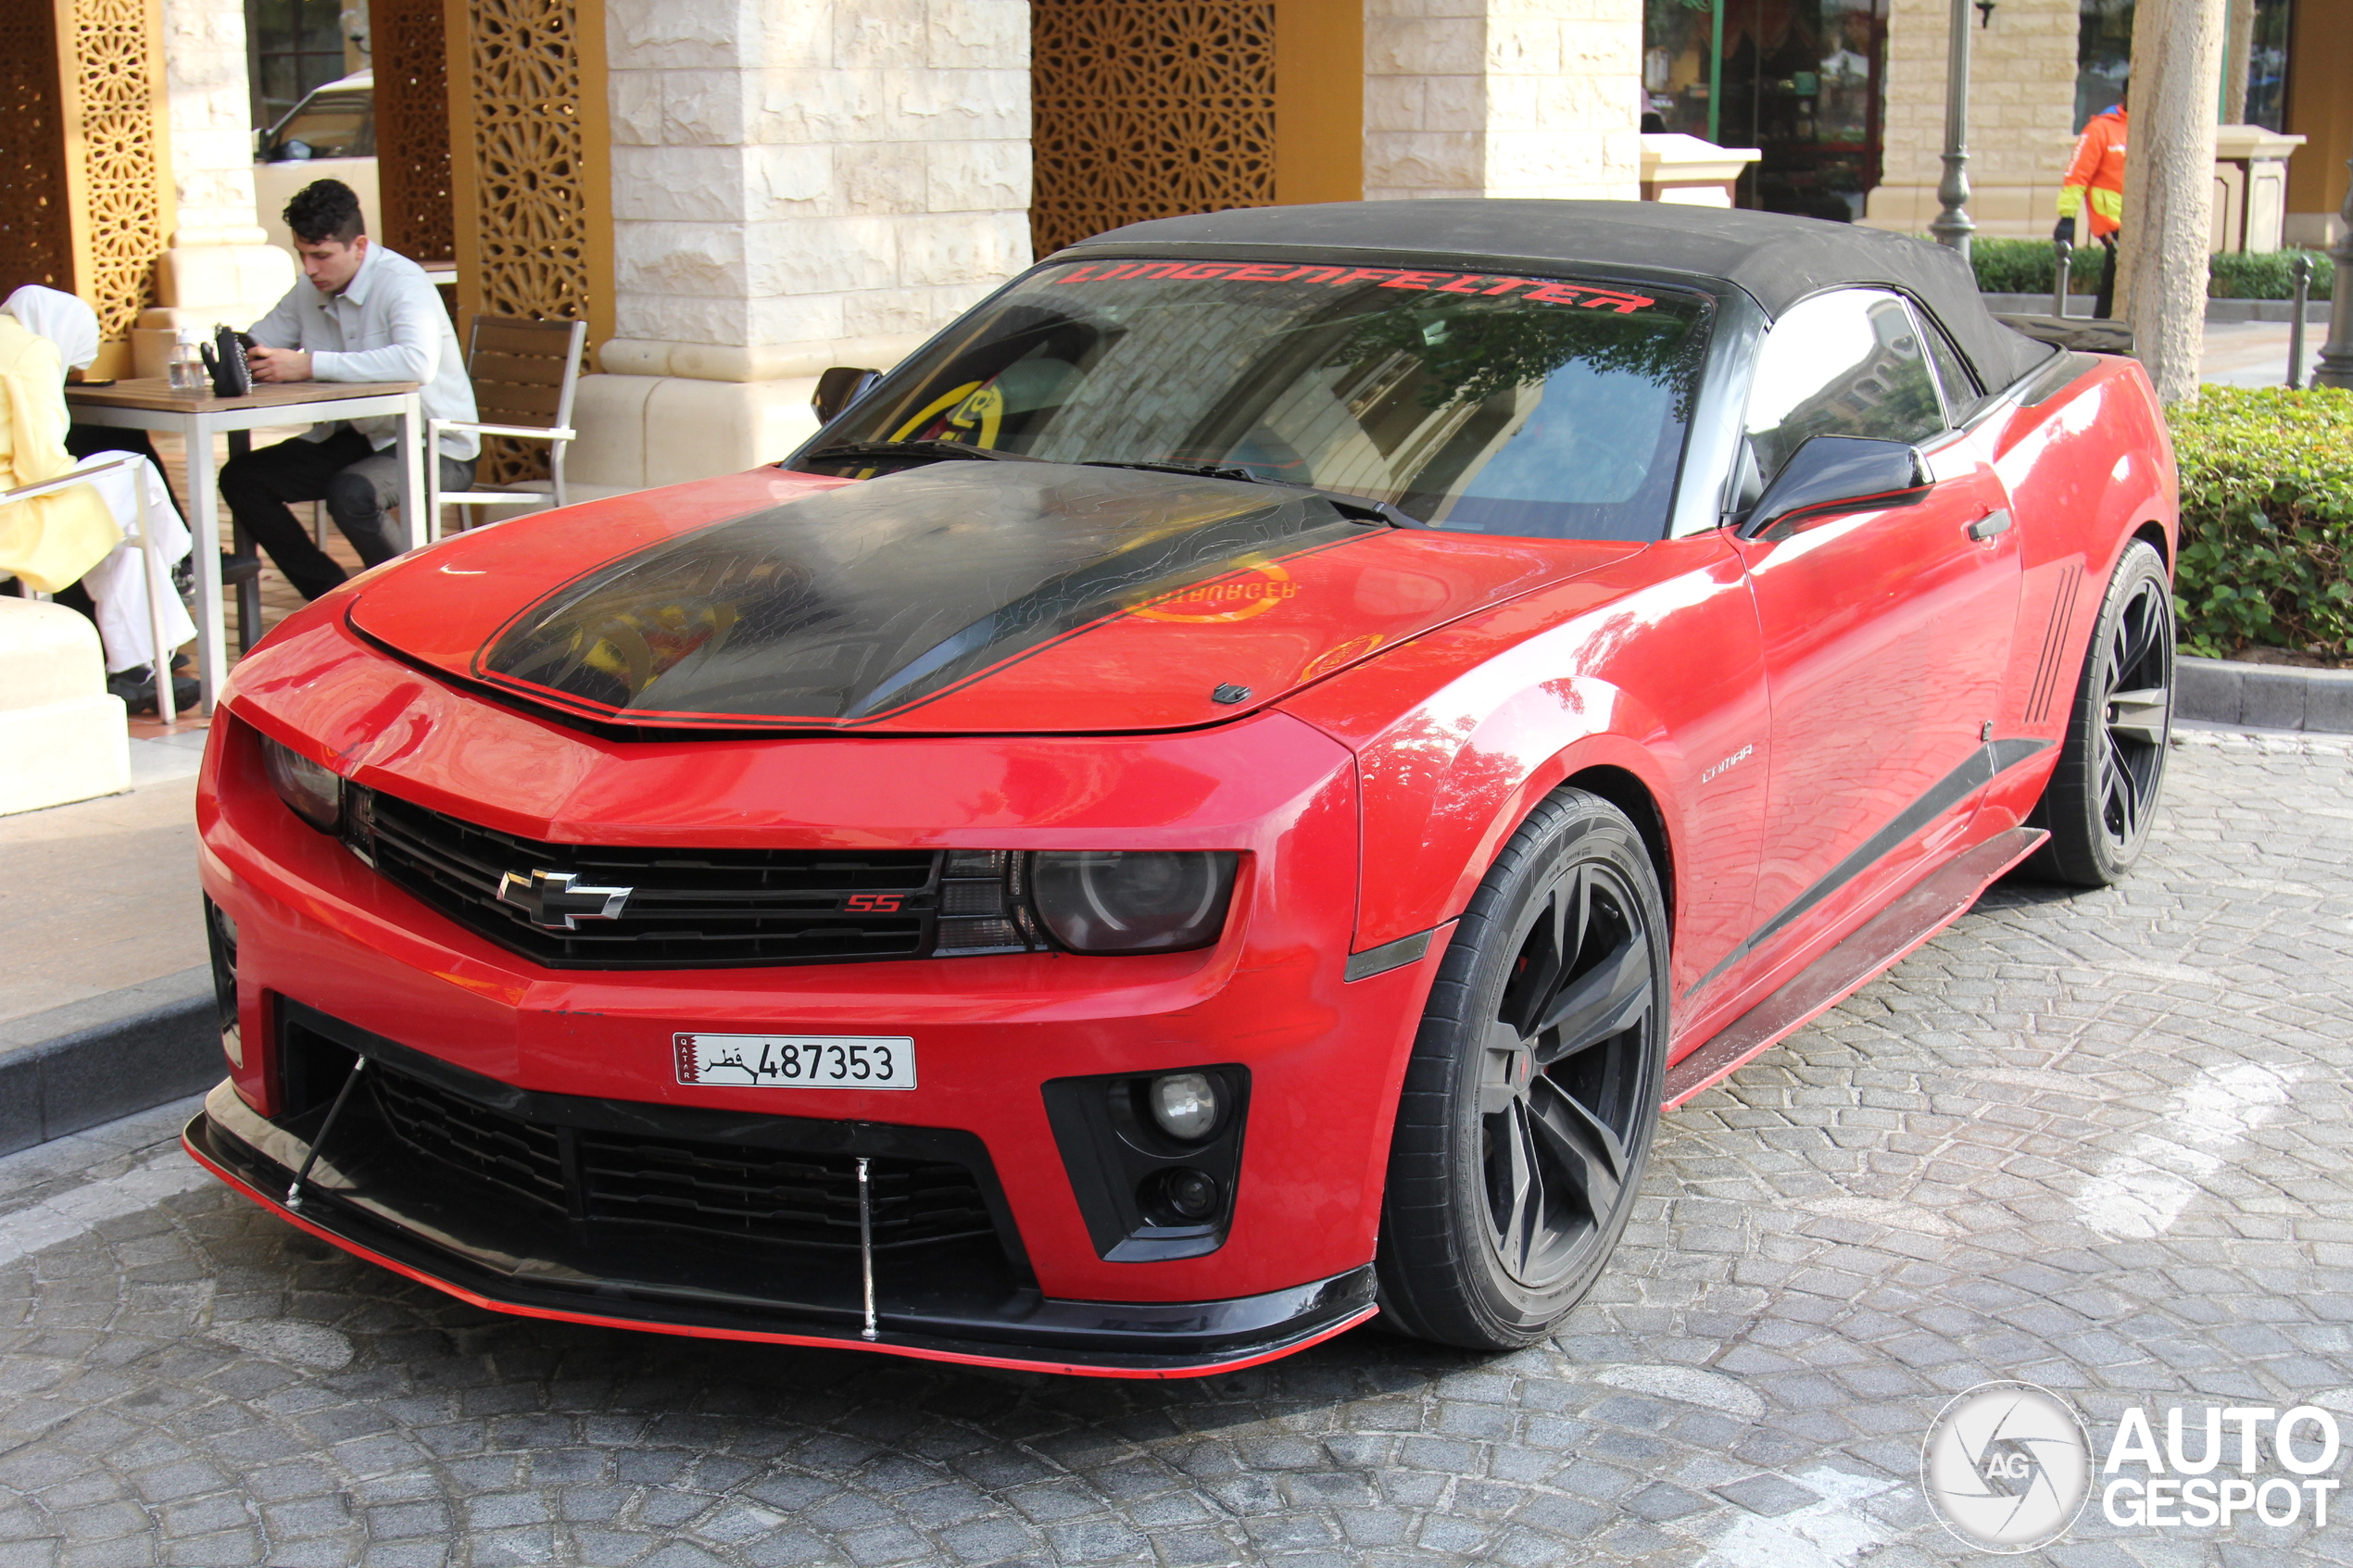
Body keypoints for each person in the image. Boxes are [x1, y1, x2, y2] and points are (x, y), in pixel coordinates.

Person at [218, 179, 479, 601]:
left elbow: (417, 362)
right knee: (243, 478)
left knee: (352, 492)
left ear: (359, 245)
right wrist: (239, 355)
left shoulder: (401, 282)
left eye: (321, 256)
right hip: (359, 436)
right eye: (302, 255)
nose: (310, 268)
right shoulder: (309, 287)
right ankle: (330, 597)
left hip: (437, 442)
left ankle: (416, 602)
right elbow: (259, 340)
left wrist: (308, 365)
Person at [0, 287, 198, 712]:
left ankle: (141, 669)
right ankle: (179, 564)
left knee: (126, 525)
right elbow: (43, 469)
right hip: (12, 512)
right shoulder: (30, 350)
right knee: (133, 474)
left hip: (10, 502)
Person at [2056, 83, 2127, 320]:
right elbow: (2077, 175)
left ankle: (2106, 332)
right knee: (2119, 274)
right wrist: (2068, 216)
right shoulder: (2099, 130)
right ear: (2125, 96)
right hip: (2112, 221)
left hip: (2142, 220)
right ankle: (2106, 332)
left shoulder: (2148, 127)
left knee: (2115, 277)